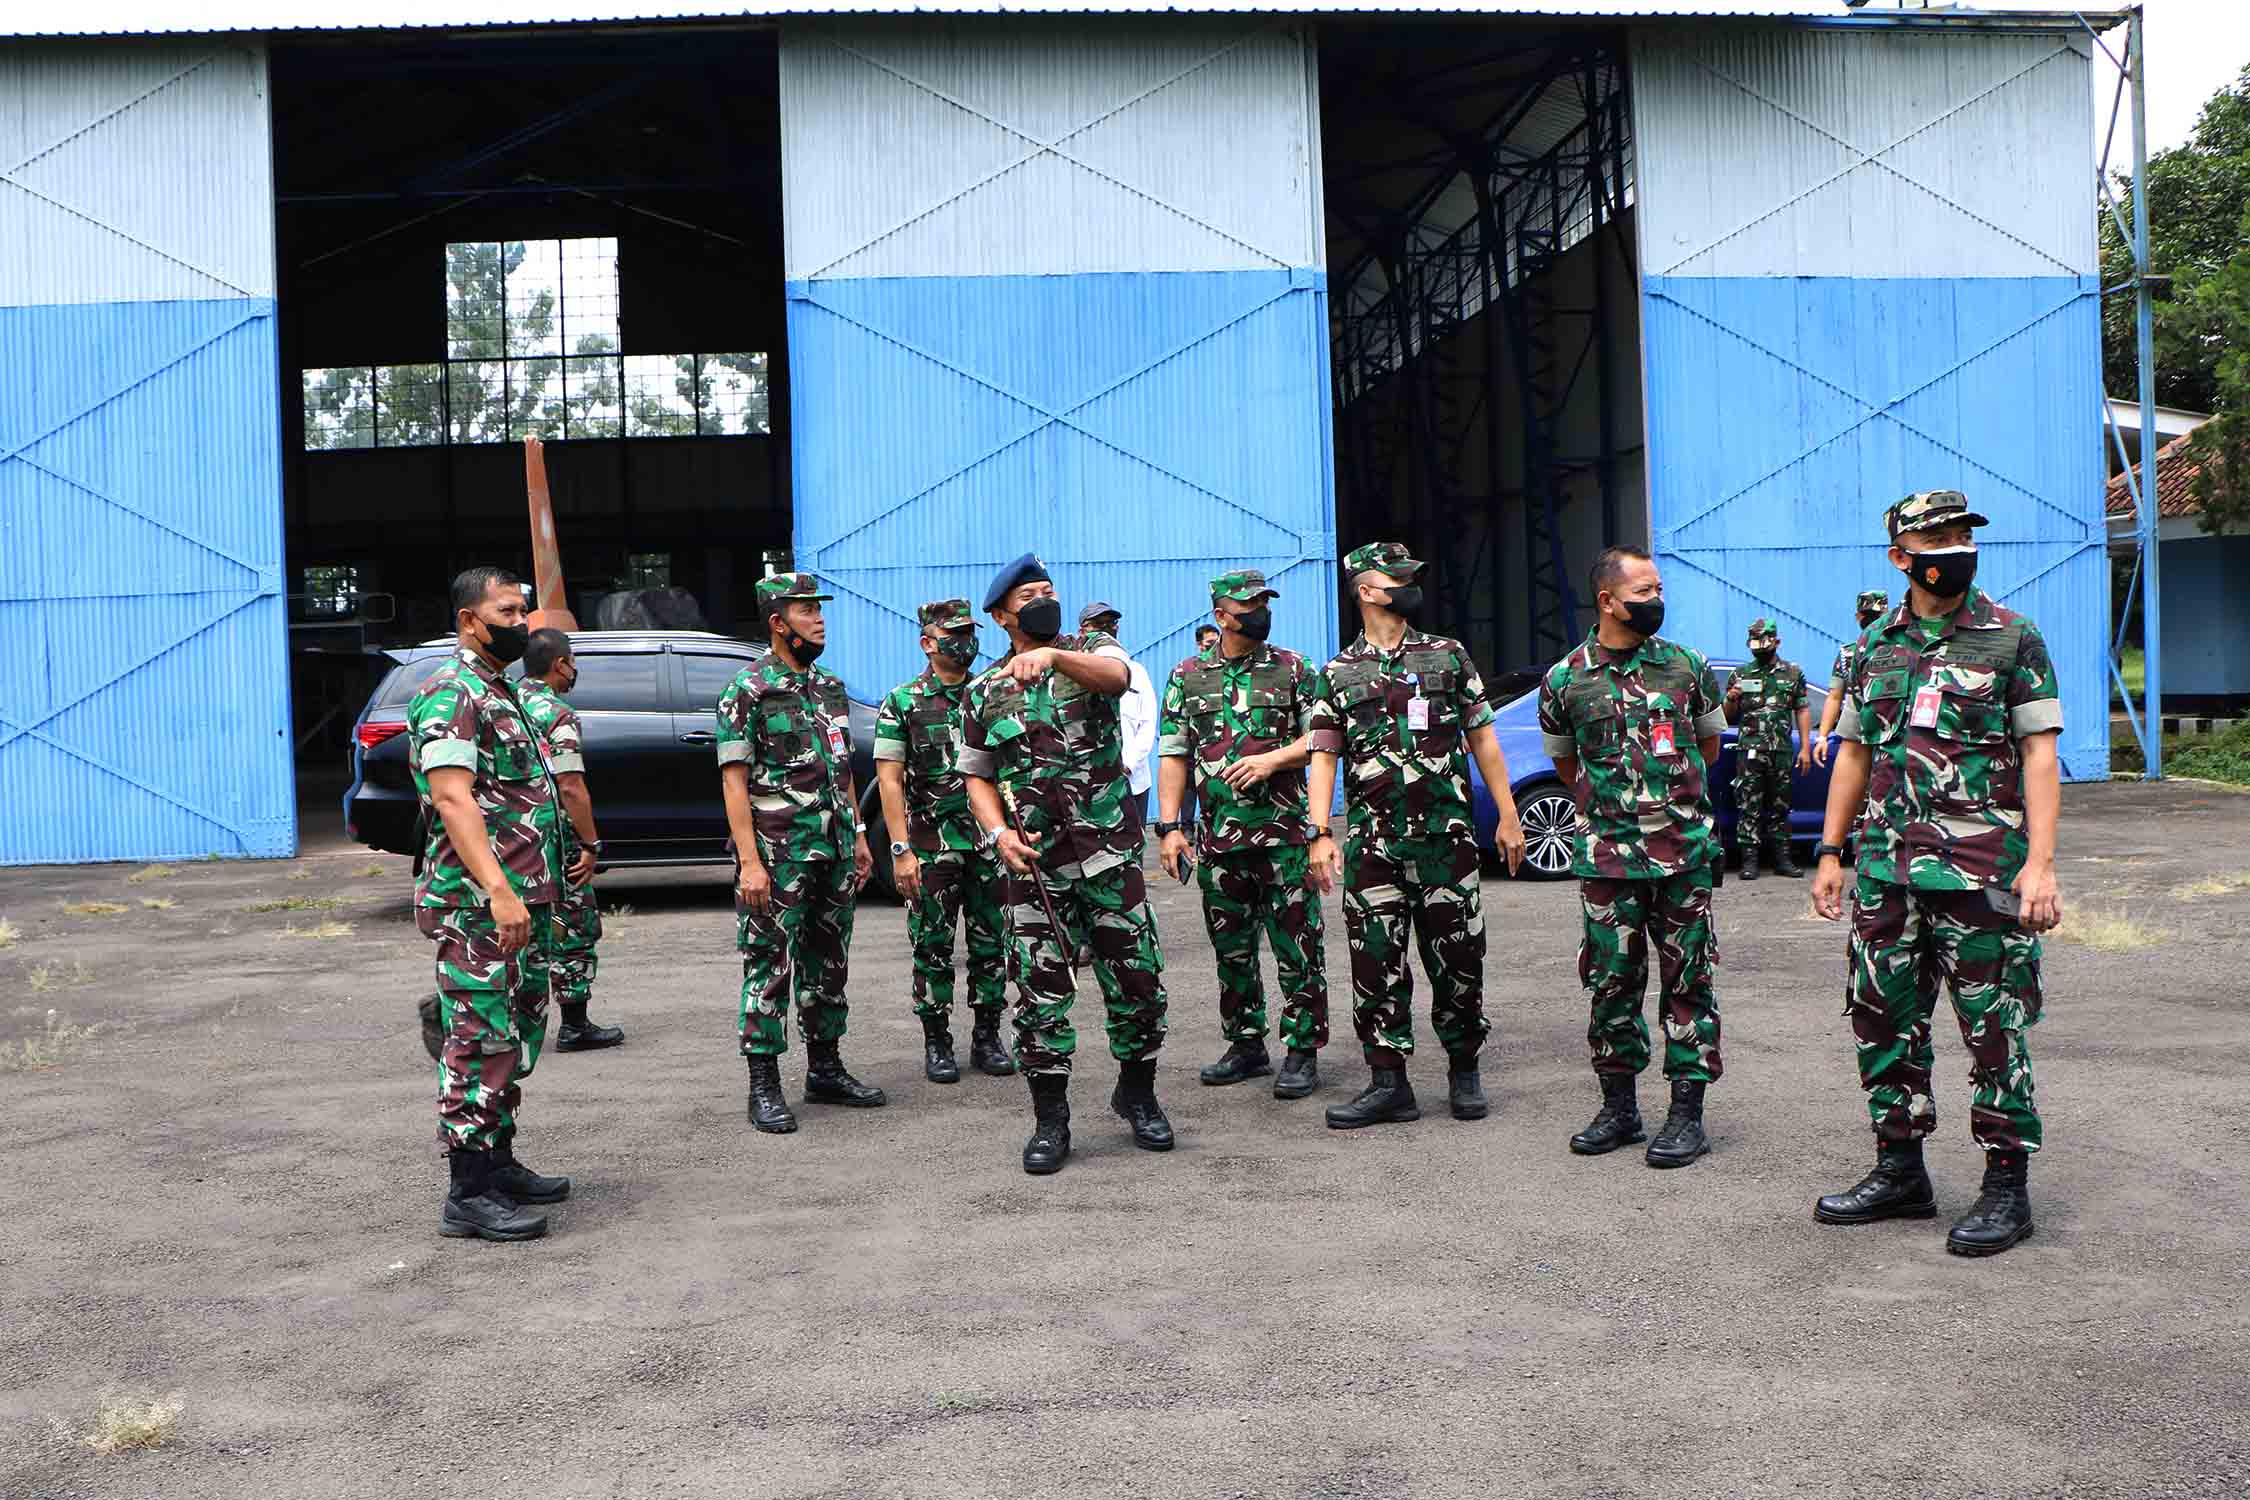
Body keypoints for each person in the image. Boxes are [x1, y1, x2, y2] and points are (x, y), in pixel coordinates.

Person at [1810, 490, 2062, 1258]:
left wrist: (2041, 867)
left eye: (1961, 534)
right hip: (1888, 873)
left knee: (1994, 1029)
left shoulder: (2011, 638)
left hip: (1982, 874)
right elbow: (1853, 754)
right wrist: (1829, 851)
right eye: (1936, 536)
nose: (1953, 546)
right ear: (1901, 556)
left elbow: (2041, 756)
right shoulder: (1870, 649)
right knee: (1883, 1023)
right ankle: (1900, 1170)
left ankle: (2006, 1188)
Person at [958, 554, 1172, 1174]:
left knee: (1137, 982)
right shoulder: (982, 692)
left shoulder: (1089, 652)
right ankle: (1051, 1120)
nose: (1043, 601)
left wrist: (1054, 657)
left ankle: (1139, 1095)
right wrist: (997, 832)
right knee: (1041, 996)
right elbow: (977, 776)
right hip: (1036, 871)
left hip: (1108, 856)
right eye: (1029, 596)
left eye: (1049, 590)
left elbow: (1118, 677)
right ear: (1000, 617)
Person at [1305, 542, 1526, 1130]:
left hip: (1446, 846)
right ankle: (1389, 1083)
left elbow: (1483, 738)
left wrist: (1507, 814)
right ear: (1365, 591)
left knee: (1458, 960)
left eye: (1411, 573)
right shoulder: (1338, 673)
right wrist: (1319, 831)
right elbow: (1323, 755)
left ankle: (1464, 1070)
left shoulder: (1447, 657)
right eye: (1395, 576)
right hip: (1374, 848)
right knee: (1375, 963)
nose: (1408, 583)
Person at [1537, 545, 1729, 1169]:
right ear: (1608, 601)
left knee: (1688, 983)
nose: (1657, 602)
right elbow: (1566, 764)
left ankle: (1685, 1115)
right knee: (1611, 984)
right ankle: (1619, 1108)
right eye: (1644, 592)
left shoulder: (1687, 667)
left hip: (1684, 857)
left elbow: (1709, 746)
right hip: (1608, 862)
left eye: (1658, 590)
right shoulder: (1565, 679)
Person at [408, 566, 572, 1243]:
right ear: (471, 619)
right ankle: (467, 1192)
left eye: (523, 608)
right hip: (479, 908)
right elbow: (452, 799)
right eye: (508, 609)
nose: (523, 621)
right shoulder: (452, 693)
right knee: (477, 1042)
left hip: (522, 904)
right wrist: (500, 891)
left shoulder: (501, 691)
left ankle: (498, 1162)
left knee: (513, 1035)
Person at [716, 572, 882, 1134]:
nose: (818, 618)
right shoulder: (749, 690)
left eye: (819, 608)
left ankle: (826, 1069)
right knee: (769, 967)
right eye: (806, 610)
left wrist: (858, 836)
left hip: (833, 848)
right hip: (778, 853)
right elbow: (734, 783)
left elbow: (841, 771)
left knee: (828, 963)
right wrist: (750, 863)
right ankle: (763, 1084)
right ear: (778, 623)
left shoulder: (828, 687)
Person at [1155, 569, 1328, 1101]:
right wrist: (1169, 828)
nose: (1259, 610)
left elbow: (1321, 740)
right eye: (1248, 603)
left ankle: (1301, 1051)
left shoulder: (1293, 668)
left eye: (1263, 601)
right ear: (1220, 615)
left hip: (1284, 838)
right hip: (1220, 843)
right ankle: (1246, 1043)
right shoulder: (1187, 676)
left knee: (1298, 946)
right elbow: (1172, 754)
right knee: (1231, 951)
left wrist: (1272, 759)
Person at [874, 599, 1015, 1084]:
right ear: (928, 643)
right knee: (932, 946)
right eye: (953, 633)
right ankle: (937, 1042)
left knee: (991, 943)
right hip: (932, 845)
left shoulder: (990, 694)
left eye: (969, 631)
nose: (965, 641)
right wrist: (900, 849)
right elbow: (889, 781)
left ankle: (988, 1037)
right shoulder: (904, 701)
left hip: (988, 844)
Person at [518, 628, 624, 1051]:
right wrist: (590, 844)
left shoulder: (506, 701)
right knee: (574, 926)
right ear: (560, 664)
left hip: (511, 839)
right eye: (573, 660)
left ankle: (506, 1023)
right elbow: (571, 785)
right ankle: (575, 1025)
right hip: (555, 841)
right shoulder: (556, 713)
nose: (575, 668)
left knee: (517, 930)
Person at [1722, 617, 1810, 880]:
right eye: (1755, 642)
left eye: (1765, 641)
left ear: (1777, 641)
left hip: (1781, 750)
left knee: (1781, 806)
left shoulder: (1793, 672)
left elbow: (1802, 709)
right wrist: (1730, 698)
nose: (1760, 647)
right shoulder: (1740, 674)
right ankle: (1750, 861)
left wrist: (1805, 747)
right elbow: (1727, 717)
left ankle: (1782, 859)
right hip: (1749, 751)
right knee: (1748, 805)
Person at [1080, 600, 1158, 849]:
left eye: (1111, 624)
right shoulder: (1072, 676)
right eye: (1097, 625)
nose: (1106, 629)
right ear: (1083, 630)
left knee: (1134, 849)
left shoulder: (1136, 672)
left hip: (1133, 780)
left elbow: (1148, 723)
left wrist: (1129, 764)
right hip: (1091, 783)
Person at [1811, 591, 1890, 769]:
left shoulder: (1901, 648)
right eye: (1868, 616)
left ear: (1887, 615)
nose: (1873, 621)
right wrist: (1822, 736)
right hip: (1857, 739)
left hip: (1891, 739)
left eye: (1877, 616)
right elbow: (1834, 697)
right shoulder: (1848, 654)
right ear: (1858, 617)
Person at [1176, 624, 1222, 837]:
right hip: (1194, 742)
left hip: (1215, 742)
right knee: (1188, 788)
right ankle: (1187, 828)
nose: (1214, 647)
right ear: (1199, 645)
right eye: (1209, 643)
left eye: (1217, 641)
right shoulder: (1190, 672)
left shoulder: (1224, 671)